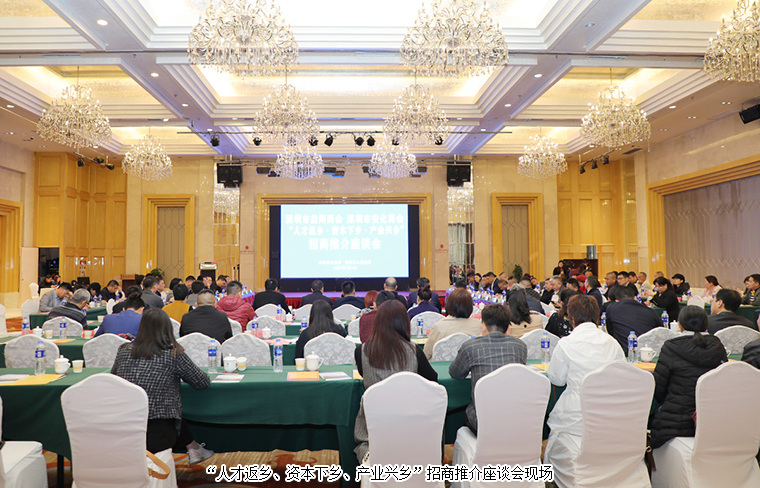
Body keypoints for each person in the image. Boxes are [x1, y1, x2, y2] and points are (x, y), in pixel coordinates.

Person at [111, 309, 214, 464]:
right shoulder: (172, 353)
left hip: (124, 426)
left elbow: (114, 380)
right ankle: (193, 448)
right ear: (168, 328)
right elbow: (202, 382)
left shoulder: (123, 351)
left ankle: (193, 448)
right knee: (170, 405)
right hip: (159, 432)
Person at [544, 295, 625, 463]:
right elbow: (622, 375)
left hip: (575, 417)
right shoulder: (612, 342)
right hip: (608, 413)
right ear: (597, 317)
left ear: (571, 318)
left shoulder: (566, 343)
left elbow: (557, 379)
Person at [354, 300, 437, 462]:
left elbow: (365, 375)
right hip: (410, 421)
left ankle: (370, 457)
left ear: (378, 322)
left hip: (373, 424)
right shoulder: (414, 350)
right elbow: (432, 380)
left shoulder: (361, 351)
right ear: (404, 323)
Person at [650, 306, 727, 449]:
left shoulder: (671, 347)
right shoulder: (717, 346)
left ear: (680, 325)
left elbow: (659, 388)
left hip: (674, 422)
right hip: (712, 420)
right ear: (707, 324)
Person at [449, 304, 527, 434]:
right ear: (508, 328)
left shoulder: (471, 346)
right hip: (514, 418)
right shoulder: (520, 346)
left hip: (482, 421)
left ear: (483, 326)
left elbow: (455, 373)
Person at [424, 289, 481, 359]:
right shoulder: (479, 326)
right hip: (471, 365)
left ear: (448, 305)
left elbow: (426, 354)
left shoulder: (439, 326)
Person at [604, 285, 661, 355]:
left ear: (617, 300)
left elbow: (610, 330)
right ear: (635, 298)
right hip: (648, 353)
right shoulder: (651, 311)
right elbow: (661, 331)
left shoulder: (612, 308)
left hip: (624, 353)